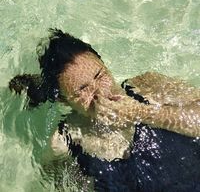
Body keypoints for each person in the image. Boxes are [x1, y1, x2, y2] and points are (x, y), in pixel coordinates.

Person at [9, 29, 200, 191]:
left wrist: (141, 112)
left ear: (105, 65)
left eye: (100, 75)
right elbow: (59, 181)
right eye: (82, 90)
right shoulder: (64, 143)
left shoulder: (148, 86)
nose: (101, 92)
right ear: (64, 101)